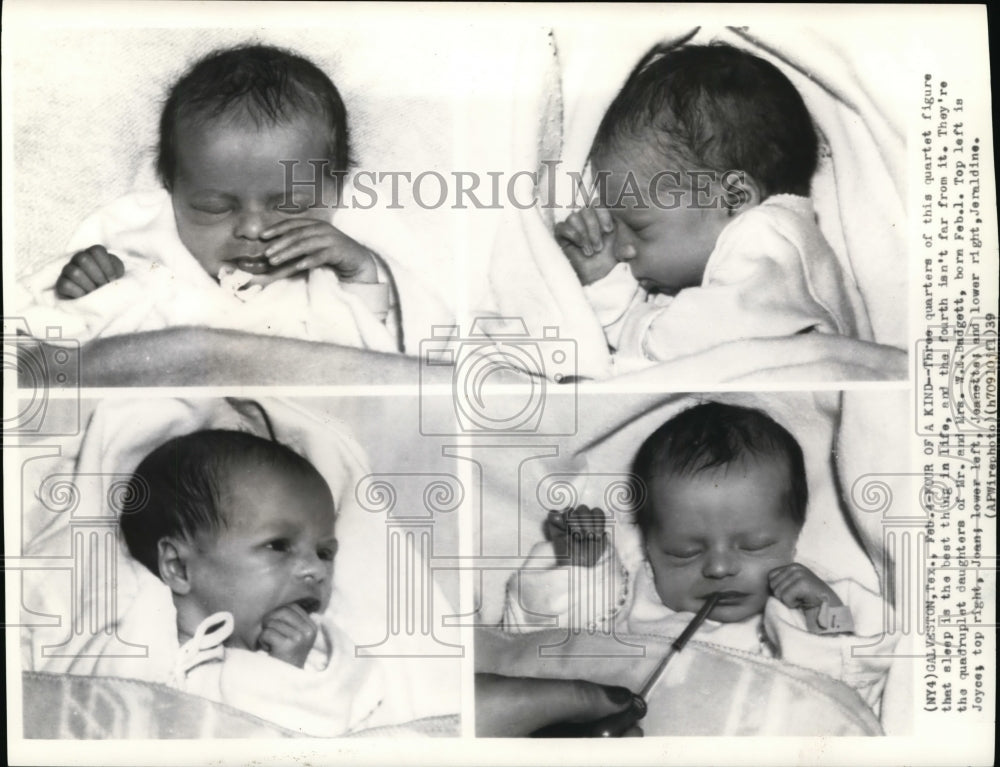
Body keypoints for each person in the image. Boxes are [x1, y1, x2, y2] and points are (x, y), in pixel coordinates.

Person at [502, 402, 894, 711]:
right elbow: (544, 650)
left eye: (754, 545)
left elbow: (849, 694)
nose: (719, 568)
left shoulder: (804, 604)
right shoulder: (625, 599)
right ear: (648, 547)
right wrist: (580, 570)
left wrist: (826, 617)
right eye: (683, 553)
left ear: (795, 534)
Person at [24, 44, 399, 351]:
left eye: (291, 205)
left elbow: (372, 361)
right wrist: (85, 289)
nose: (253, 229)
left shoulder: (326, 278)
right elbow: (53, 338)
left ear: (337, 188)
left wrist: (360, 272)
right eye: (214, 207)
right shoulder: (143, 252)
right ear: (171, 186)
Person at [555, 44, 871, 369]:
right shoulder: (737, 273)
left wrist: (614, 298)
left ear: (733, 198)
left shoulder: (771, 237)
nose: (622, 250)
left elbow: (673, 353)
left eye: (638, 228)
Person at [119, 429, 387, 736]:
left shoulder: (320, 658)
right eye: (278, 545)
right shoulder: (132, 646)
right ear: (178, 567)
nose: (316, 569)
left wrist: (284, 673)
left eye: (325, 552)